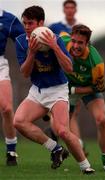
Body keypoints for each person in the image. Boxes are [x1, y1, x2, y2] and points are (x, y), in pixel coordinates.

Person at [14, 6, 94, 174]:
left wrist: (55, 47)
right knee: (19, 122)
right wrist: (32, 53)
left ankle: (86, 167)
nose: (27, 27)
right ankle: (56, 149)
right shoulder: (21, 41)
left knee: (63, 131)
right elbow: (25, 73)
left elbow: (69, 67)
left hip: (57, 90)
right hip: (37, 91)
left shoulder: (55, 39)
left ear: (41, 23)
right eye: (25, 23)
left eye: (31, 23)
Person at [60, 24, 105, 170]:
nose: (76, 46)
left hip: (87, 89)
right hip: (64, 89)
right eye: (74, 41)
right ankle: (58, 148)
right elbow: (58, 35)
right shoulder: (63, 41)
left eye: (81, 43)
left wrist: (75, 89)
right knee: (61, 128)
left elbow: (99, 87)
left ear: (87, 44)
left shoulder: (96, 62)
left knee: (101, 119)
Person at [45, 0, 88, 155]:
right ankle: (68, 140)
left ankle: (78, 145)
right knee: (57, 111)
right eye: (67, 7)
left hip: (75, 75)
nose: (69, 10)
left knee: (73, 113)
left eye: (72, 7)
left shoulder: (81, 28)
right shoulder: (55, 27)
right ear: (64, 10)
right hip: (59, 75)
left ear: (75, 10)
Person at [0, 9, 25, 165]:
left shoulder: (8, 19)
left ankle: (11, 151)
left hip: (0, 65)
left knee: (7, 109)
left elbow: (23, 41)